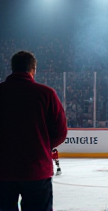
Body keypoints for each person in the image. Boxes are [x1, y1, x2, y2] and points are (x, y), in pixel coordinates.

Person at [0, 51, 67, 211]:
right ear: (34, 69)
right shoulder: (46, 94)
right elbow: (60, 131)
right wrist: (43, 145)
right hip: (37, 170)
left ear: (12, 68)